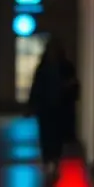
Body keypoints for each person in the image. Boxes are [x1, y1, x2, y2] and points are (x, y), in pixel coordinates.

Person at [29, 37, 70, 179]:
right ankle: (49, 161)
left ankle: (53, 161)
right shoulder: (48, 67)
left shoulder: (59, 67)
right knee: (48, 136)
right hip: (47, 108)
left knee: (54, 136)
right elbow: (36, 88)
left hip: (57, 108)